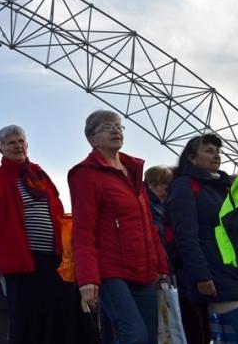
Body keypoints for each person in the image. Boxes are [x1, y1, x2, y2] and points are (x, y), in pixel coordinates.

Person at [0, 126, 90, 344]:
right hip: (23, 263)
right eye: (11, 143)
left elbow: (57, 207)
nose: (18, 146)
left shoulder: (38, 174)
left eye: (21, 141)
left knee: (64, 316)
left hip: (55, 259)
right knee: (28, 321)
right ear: (1, 149)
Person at [69, 110, 169, 344]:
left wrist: (160, 265)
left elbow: (148, 224)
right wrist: (87, 278)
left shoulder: (132, 173)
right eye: (107, 127)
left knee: (149, 339)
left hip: (143, 270)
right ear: (92, 139)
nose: (115, 130)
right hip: (111, 270)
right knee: (134, 335)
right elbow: (83, 229)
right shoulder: (85, 174)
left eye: (118, 126)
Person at [166, 133, 238, 343]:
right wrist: (201, 276)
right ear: (192, 158)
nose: (216, 155)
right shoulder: (185, 185)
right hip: (216, 277)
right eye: (209, 151)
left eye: (218, 151)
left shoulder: (225, 188)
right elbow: (186, 236)